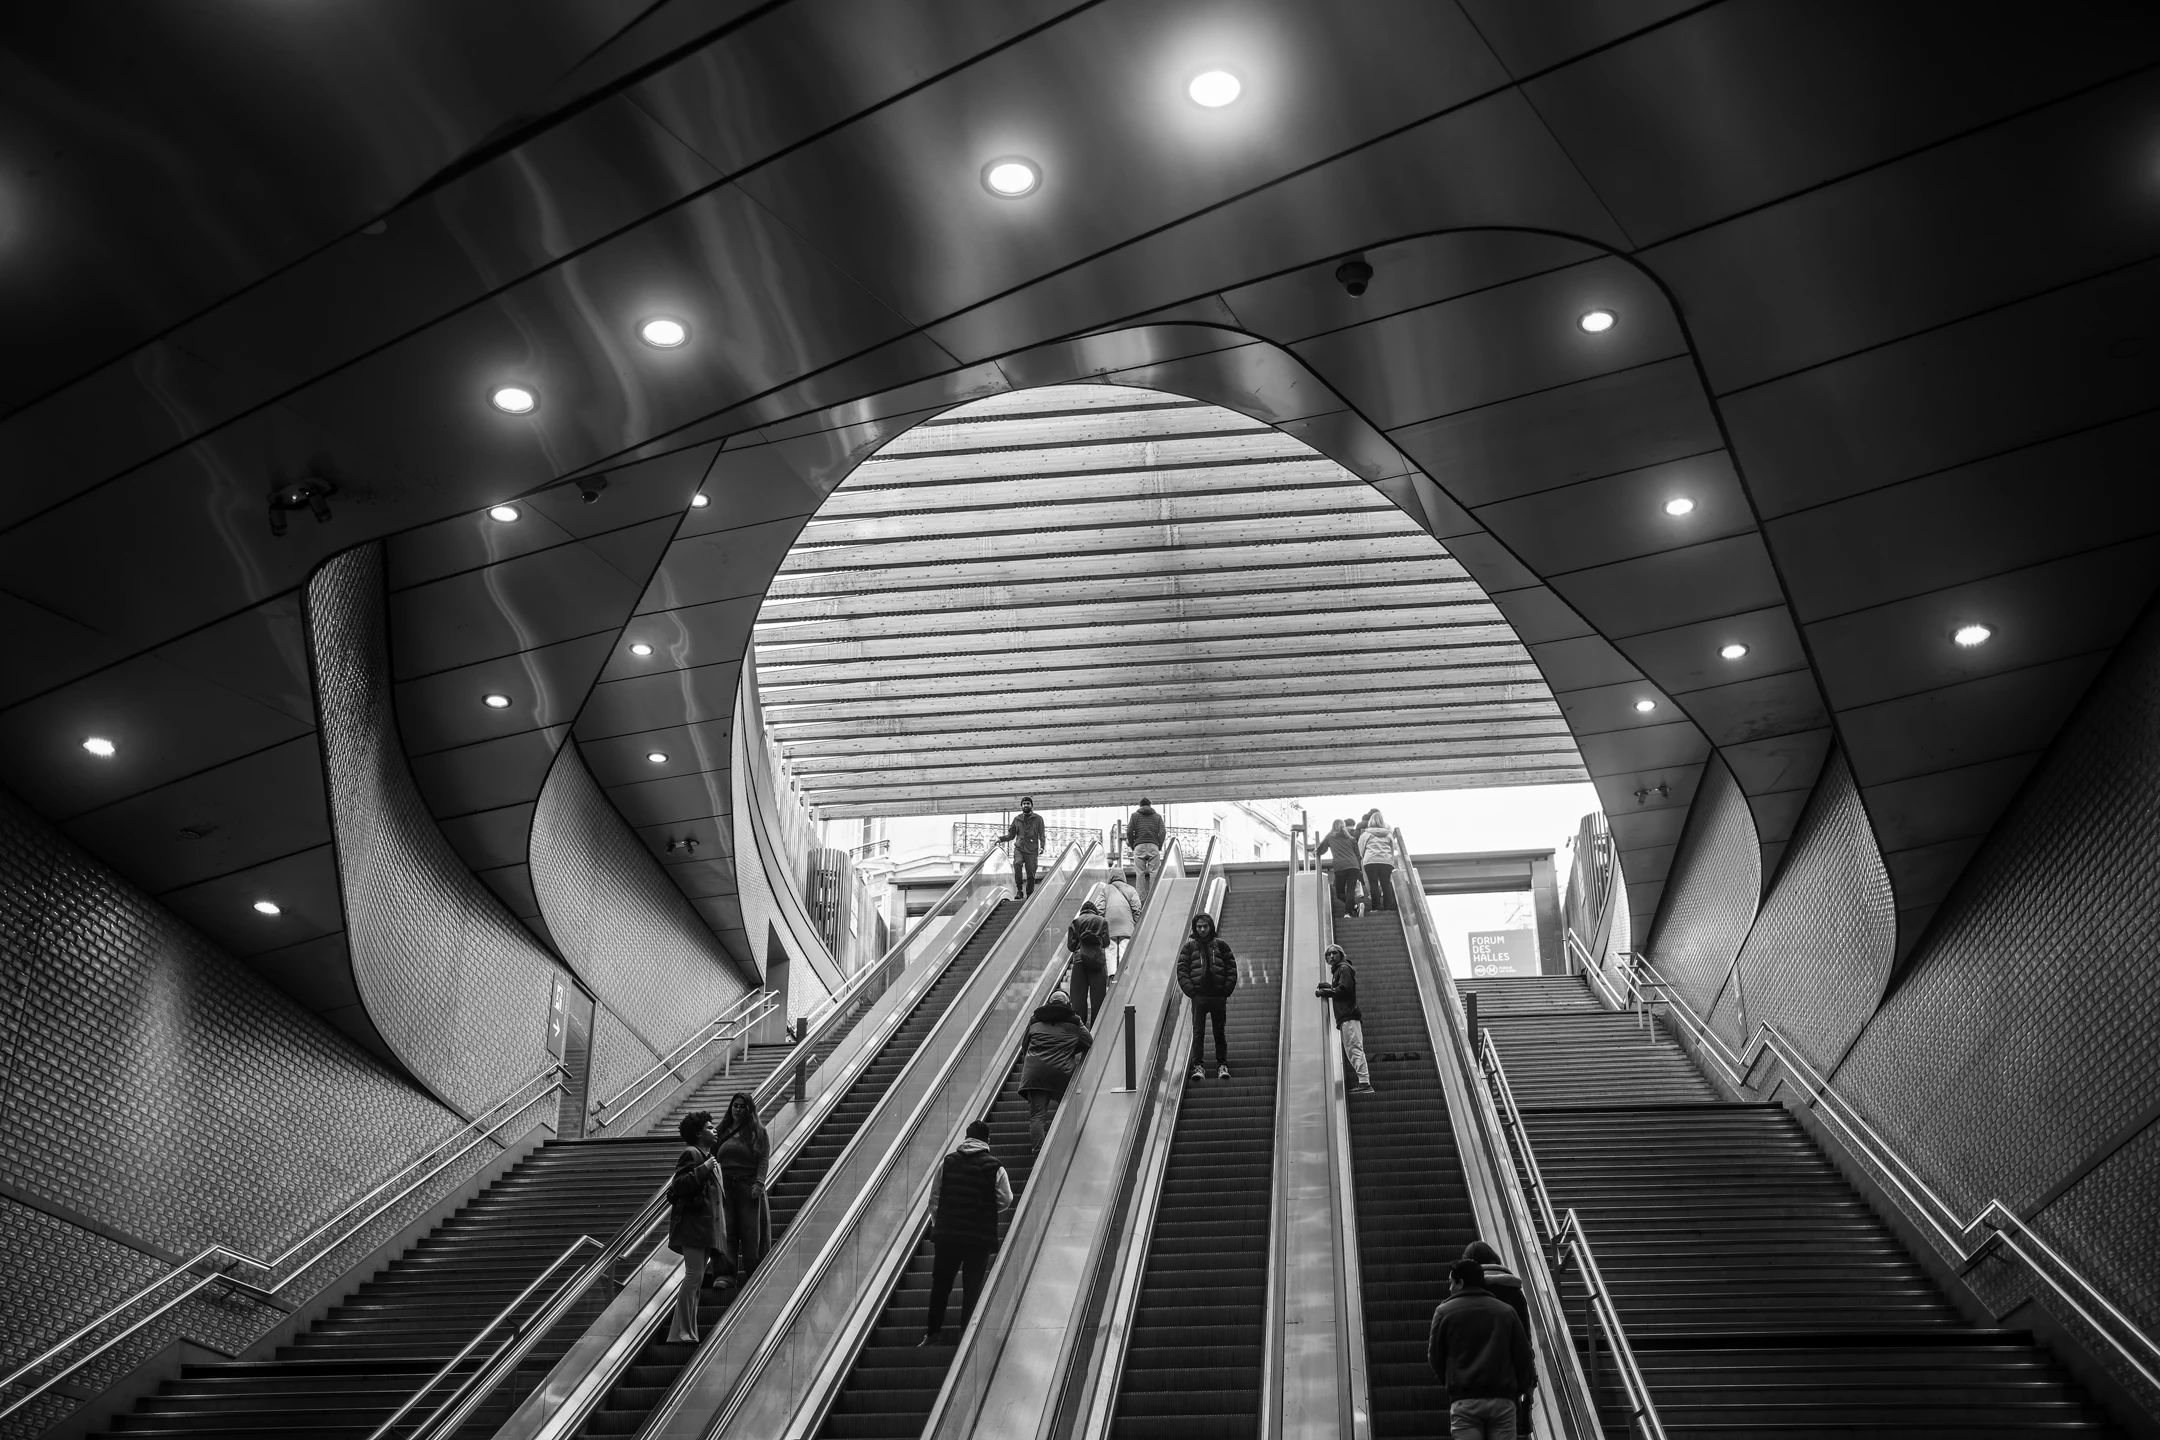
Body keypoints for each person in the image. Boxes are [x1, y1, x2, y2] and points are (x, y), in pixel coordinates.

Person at [921, 1119, 1014, 1345]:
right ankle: (966, 1338)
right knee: (972, 1286)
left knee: (941, 1284)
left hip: (948, 1236)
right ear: (987, 1140)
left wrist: (939, 1224)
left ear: (966, 1137)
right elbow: (1006, 1199)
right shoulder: (995, 1166)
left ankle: (932, 1334)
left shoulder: (948, 1162)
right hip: (978, 1238)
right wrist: (986, 1208)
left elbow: (934, 1198)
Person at [1428, 1256, 1536, 1440]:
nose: (1449, 1288)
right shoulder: (1506, 1311)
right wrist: (1517, 1390)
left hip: (1465, 1401)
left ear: (1460, 1283)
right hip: (1502, 1400)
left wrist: (1453, 1384)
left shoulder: (1444, 1312)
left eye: (1451, 1282)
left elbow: (1435, 1356)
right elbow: (1524, 1355)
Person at [665, 1111, 724, 1343]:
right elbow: (678, 1185)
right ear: (699, 1133)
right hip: (693, 1228)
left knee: (696, 1280)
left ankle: (685, 1332)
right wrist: (704, 1168)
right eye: (710, 1127)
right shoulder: (692, 1153)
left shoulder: (709, 1157)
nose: (715, 1130)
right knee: (693, 1276)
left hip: (704, 1229)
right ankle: (681, 1333)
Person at [1463, 1240, 1532, 1436]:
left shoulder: (1463, 1296)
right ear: (1495, 1260)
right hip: (1507, 1384)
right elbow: (1525, 1341)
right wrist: (1527, 1382)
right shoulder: (1514, 1293)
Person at [1018, 987, 1093, 1153]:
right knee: (1069, 1111)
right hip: (1062, 1073)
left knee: (1037, 1117)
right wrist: (1070, 1049)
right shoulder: (1074, 1020)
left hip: (1035, 1073)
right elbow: (1088, 1041)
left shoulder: (1035, 1019)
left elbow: (1025, 1045)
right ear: (1068, 1003)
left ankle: (1039, 1155)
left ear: (1049, 1003)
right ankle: (1071, 1148)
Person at [712, 1092, 771, 1279]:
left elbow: (763, 1158)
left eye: (742, 1106)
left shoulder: (758, 1132)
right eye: (735, 1105)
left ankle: (754, 1272)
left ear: (749, 1109)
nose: (737, 1109)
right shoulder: (722, 1130)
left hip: (748, 1186)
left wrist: (759, 1183)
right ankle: (726, 1275)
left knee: (751, 1232)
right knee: (726, 1230)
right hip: (725, 1187)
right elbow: (711, 1157)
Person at [1176, 910, 1237, 1081]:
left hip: (1218, 997)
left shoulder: (1221, 945)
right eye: (1199, 927)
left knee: (1219, 1032)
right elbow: (1182, 970)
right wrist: (1192, 992)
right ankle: (1198, 1067)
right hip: (1199, 997)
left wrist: (1225, 991)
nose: (1202, 930)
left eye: (1205, 926)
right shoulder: (1189, 947)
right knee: (1198, 1032)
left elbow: (1231, 967)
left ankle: (1222, 1065)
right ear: (1195, 928)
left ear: (1211, 927)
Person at [1315, 943, 1374, 1093]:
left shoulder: (1343, 968)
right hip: (1345, 1016)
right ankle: (1363, 1082)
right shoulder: (1339, 971)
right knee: (1351, 1048)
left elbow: (1344, 989)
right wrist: (1328, 986)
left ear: (1341, 954)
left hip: (1348, 1014)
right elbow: (1342, 987)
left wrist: (1325, 992)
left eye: (1334, 953)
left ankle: (1365, 1083)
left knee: (1354, 1047)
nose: (1331, 956)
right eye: (1328, 955)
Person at [1065, 898, 1113, 1026]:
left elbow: (1071, 946)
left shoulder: (1076, 922)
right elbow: (1106, 943)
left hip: (1079, 961)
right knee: (1098, 996)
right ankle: (1097, 1026)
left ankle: (1079, 1026)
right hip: (1097, 962)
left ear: (1082, 911)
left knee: (1078, 997)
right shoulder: (1101, 921)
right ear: (1095, 911)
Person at [1316, 818, 1363, 916]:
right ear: (1344, 826)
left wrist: (1315, 852)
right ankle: (1354, 907)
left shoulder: (1330, 837)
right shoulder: (1351, 838)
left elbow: (1321, 850)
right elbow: (1358, 855)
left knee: (1339, 893)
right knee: (1350, 890)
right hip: (1354, 866)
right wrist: (1358, 868)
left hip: (1340, 867)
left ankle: (1348, 912)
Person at [1004, 797, 1048, 899]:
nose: (1026, 805)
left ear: (1031, 805)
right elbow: (1011, 835)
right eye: (1024, 804)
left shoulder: (1038, 819)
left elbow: (1042, 834)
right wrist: (1000, 839)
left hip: (1032, 850)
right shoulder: (1017, 819)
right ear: (1021, 806)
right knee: (1017, 864)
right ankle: (1019, 890)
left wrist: (1042, 846)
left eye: (1028, 803)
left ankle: (1029, 894)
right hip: (1019, 848)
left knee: (1030, 873)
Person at [1125, 797, 1166, 903]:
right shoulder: (1157, 817)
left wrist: (1133, 844)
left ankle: (1141, 898)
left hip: (1139, 846)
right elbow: (1162, 832)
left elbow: (1129, 832)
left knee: (1140, 873)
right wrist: (1159, 845)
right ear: (1150, 805)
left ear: (1140, 805)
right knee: (1154, 872)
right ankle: (1153, 896)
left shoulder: (1135, 816)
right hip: (1153, 846)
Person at [1359, 811, 1400, 913]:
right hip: (1386, 861)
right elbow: (1392, 848)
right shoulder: (1388, 834)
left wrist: (1365, 857)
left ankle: (1375, 907)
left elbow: (1360, 849)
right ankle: (1388, 907)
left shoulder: (1365, 834)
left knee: (1373, 884)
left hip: (1370, 861)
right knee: (1386, 883)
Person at [1100, 875, 1140, 971]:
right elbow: (1137, 908)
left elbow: (1099, 908)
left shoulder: (1105, 889)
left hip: (1110, 925)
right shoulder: (1130, 889)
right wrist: (1134, 922)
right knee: (1124, 949)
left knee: (1110, 950)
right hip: (1126, 925)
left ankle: (1112, 976)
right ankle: (1123, 975)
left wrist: (1103, 922)